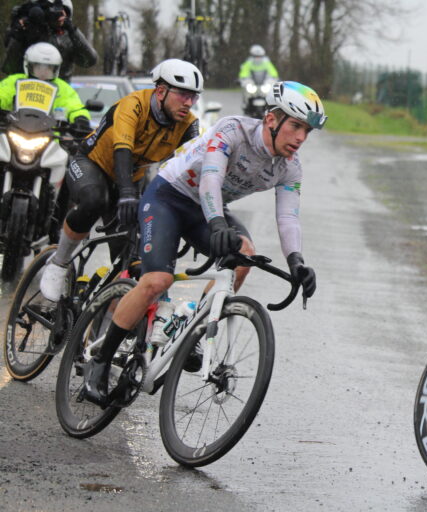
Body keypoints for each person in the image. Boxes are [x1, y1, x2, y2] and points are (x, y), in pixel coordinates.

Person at [79, 80, 323, 405]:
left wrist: (297, 262)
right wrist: (218, 223)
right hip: (169, 197)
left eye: (306, 131)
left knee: (245, 256)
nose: (300, 138)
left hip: (207, 210)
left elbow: (288, 217)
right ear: (271, 119)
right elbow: (210, 179)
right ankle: (101, 359)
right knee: (156, 281)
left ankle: (193, 328)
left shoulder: (289, 168)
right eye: (295, 126)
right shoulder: (233, 130)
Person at [40, 59, 203, 301]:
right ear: (160, 91)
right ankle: (59, 262)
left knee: (129, 255)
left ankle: (98, 312)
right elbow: (122, 150)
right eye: (183, 95)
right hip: (91, 164)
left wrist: (193, 217)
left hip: (129, 179)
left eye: (194, 97)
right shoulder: (133, 105)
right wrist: (127, 193)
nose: (188, 103)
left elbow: (189, 172)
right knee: (95, 200)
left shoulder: (188, 124)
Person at [0, 42, 90, 133]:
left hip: (51, 138)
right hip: (13, 132)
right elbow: (3, 93)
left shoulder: (63, 88)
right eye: (39, 68)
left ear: (56, 69)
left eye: (49, 68)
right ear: (28, 66)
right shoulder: (15, 82)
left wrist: (81, 118)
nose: (44, 72)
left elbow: (73, 105)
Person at [3, 0, 98, 82]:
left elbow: (90, 60)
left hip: (59, 95)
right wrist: (18, 37)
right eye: (47, 12)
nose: (52, 15)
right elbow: (9, 68)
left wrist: (72, 30)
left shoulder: (68, 37)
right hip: (27, 93)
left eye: (58, 12)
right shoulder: (27, 34)